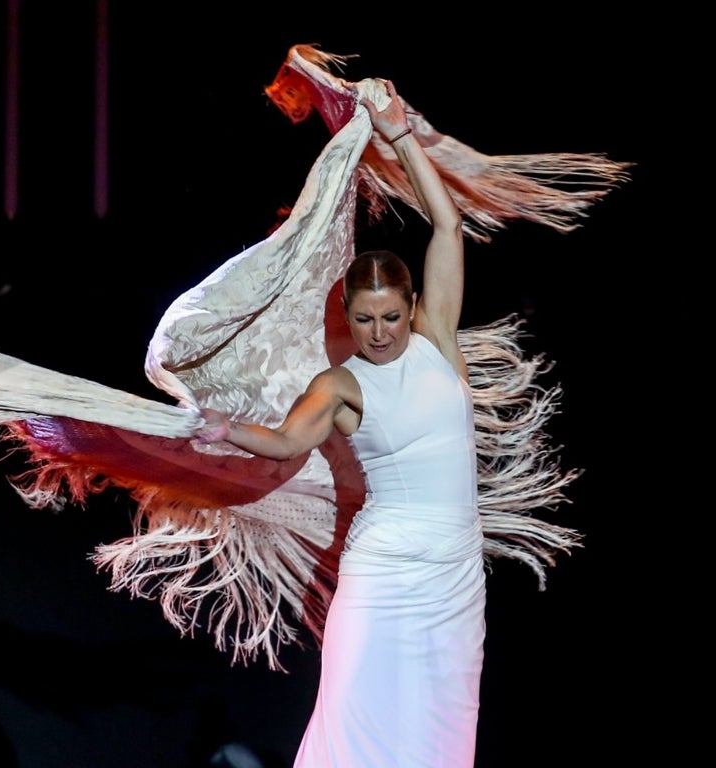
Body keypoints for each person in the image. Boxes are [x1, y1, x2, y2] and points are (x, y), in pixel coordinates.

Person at [193, 78, 485, 767]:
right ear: (347, 314)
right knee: (354, 733)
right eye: (363, 319)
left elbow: (447, 224)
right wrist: (226, 429)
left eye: (390, 317)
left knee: (435, 744)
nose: (379, 333)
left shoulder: (439, 342)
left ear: (411, 306)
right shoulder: (343, 383)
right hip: (383, 577)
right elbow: (290, 441)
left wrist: (400, 135)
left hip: (452, 579)